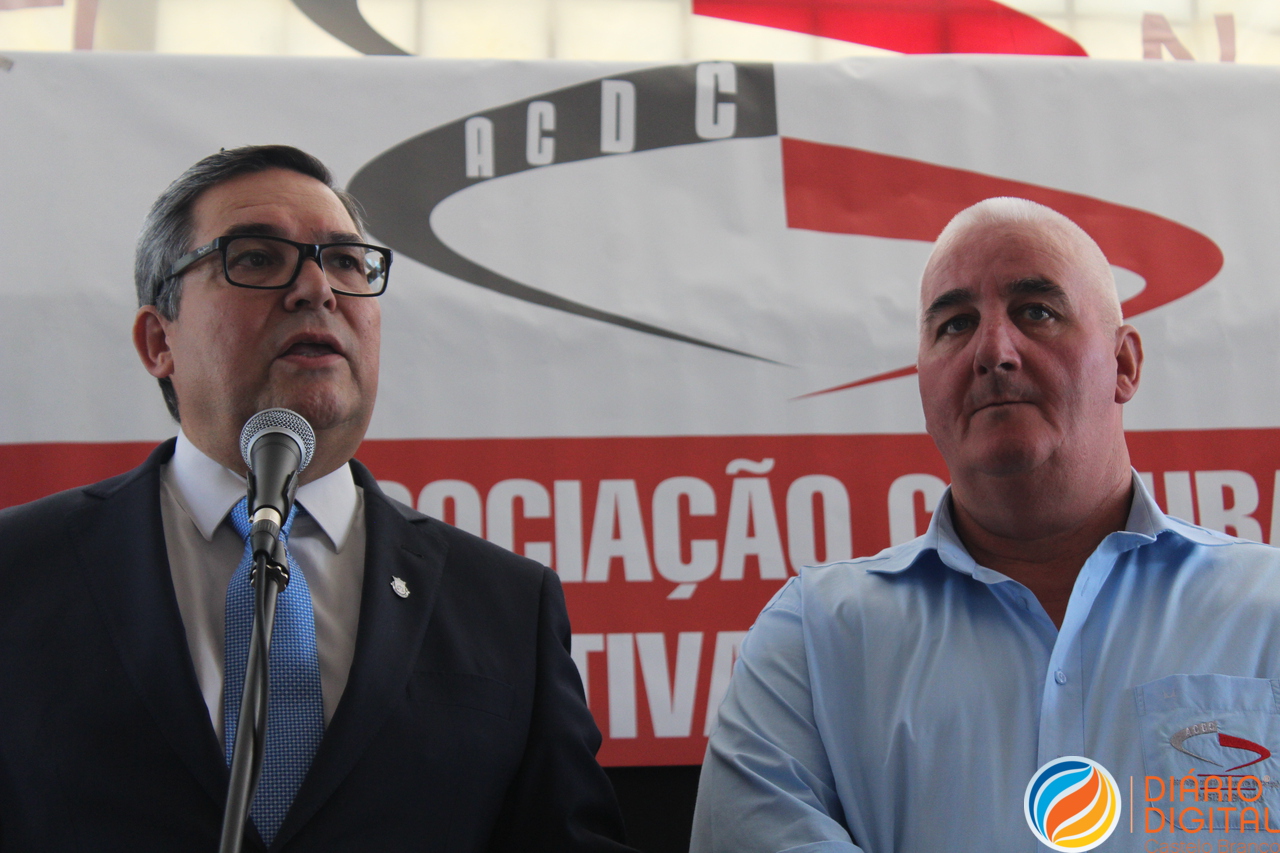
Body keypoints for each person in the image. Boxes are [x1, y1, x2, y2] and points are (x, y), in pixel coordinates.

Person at [0, 145, 632, 852]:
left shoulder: (507, 605)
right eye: (257, 258)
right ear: (158, 341)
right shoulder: (18, 571)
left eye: (346, 262)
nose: (317, 289)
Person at [690, 197, 1280, 850]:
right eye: (955, 325)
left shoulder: (1267, 611)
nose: (993, 351)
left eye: (1036, 311)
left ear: (1124, 364)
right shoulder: (814, 638)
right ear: (923, 385)